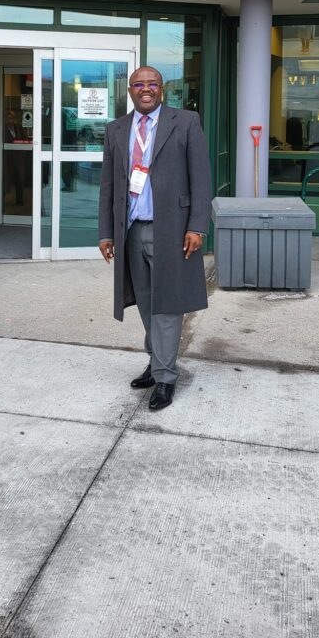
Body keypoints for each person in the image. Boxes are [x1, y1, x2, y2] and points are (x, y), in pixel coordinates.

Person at [98, 66, 212, 411]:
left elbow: (201, 179)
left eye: (152, 84)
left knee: (168, 305)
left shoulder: (186, 121)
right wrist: (106, 231)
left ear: (162, 89)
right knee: (146, 303)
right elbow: (108, 186)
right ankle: (157, 359)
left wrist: (197, 226)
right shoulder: (116, 129)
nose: (145, 89)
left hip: (173, 230)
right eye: (139, 84)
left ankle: (164, 377)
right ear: (129, 90)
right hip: (132, 231)